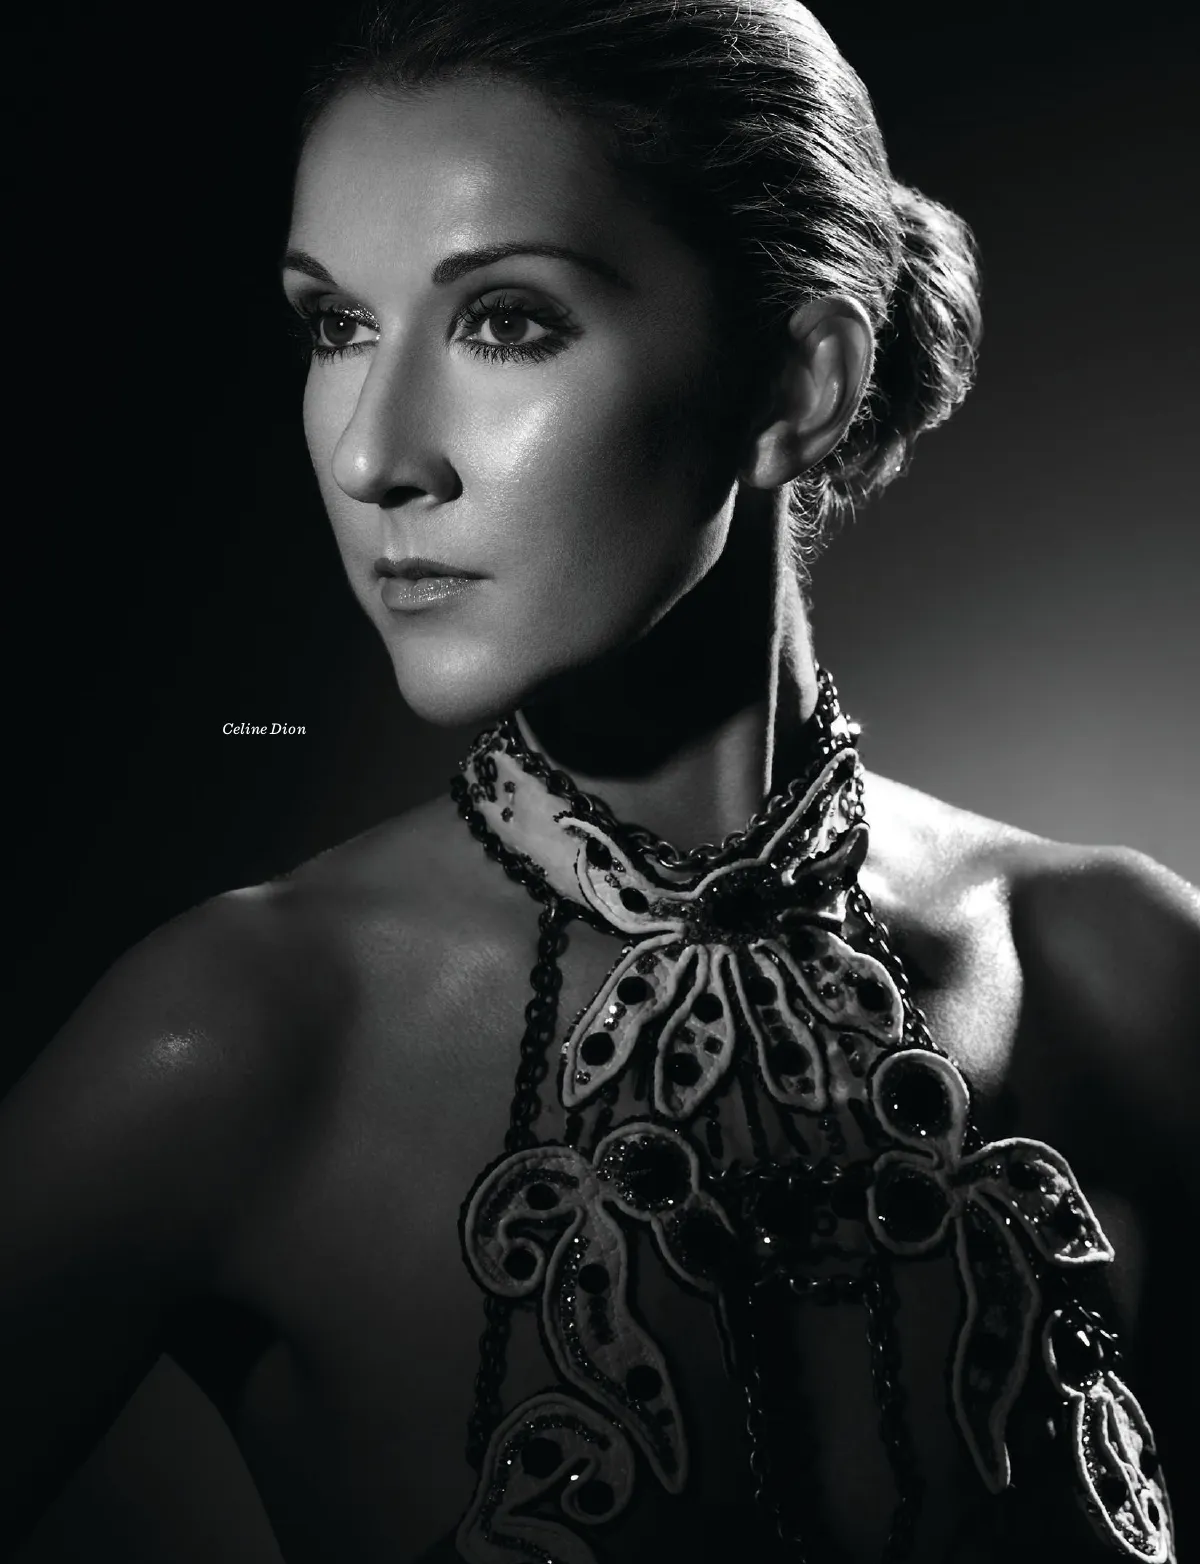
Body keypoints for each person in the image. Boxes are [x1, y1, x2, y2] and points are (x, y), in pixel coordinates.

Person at [3, 2, 1196, 1561]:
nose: (373, 457)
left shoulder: (1115, 976)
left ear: (803, 383)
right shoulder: (240, 1038)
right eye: (335, 325)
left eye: (505, 321)